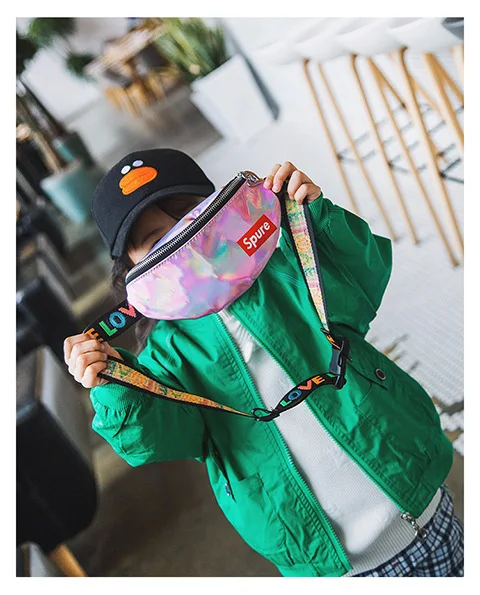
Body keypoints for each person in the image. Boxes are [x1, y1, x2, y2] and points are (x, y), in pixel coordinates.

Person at [64, 148, 463, 577]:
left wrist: (317, 218)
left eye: (188, 214)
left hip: (418, 502)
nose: (184, 239)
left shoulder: (290, 257)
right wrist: (113, 383)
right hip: (325, 564)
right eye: (155, 240)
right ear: (132, 270)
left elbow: (363, 282)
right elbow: (160, 437)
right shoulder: (166, 354)